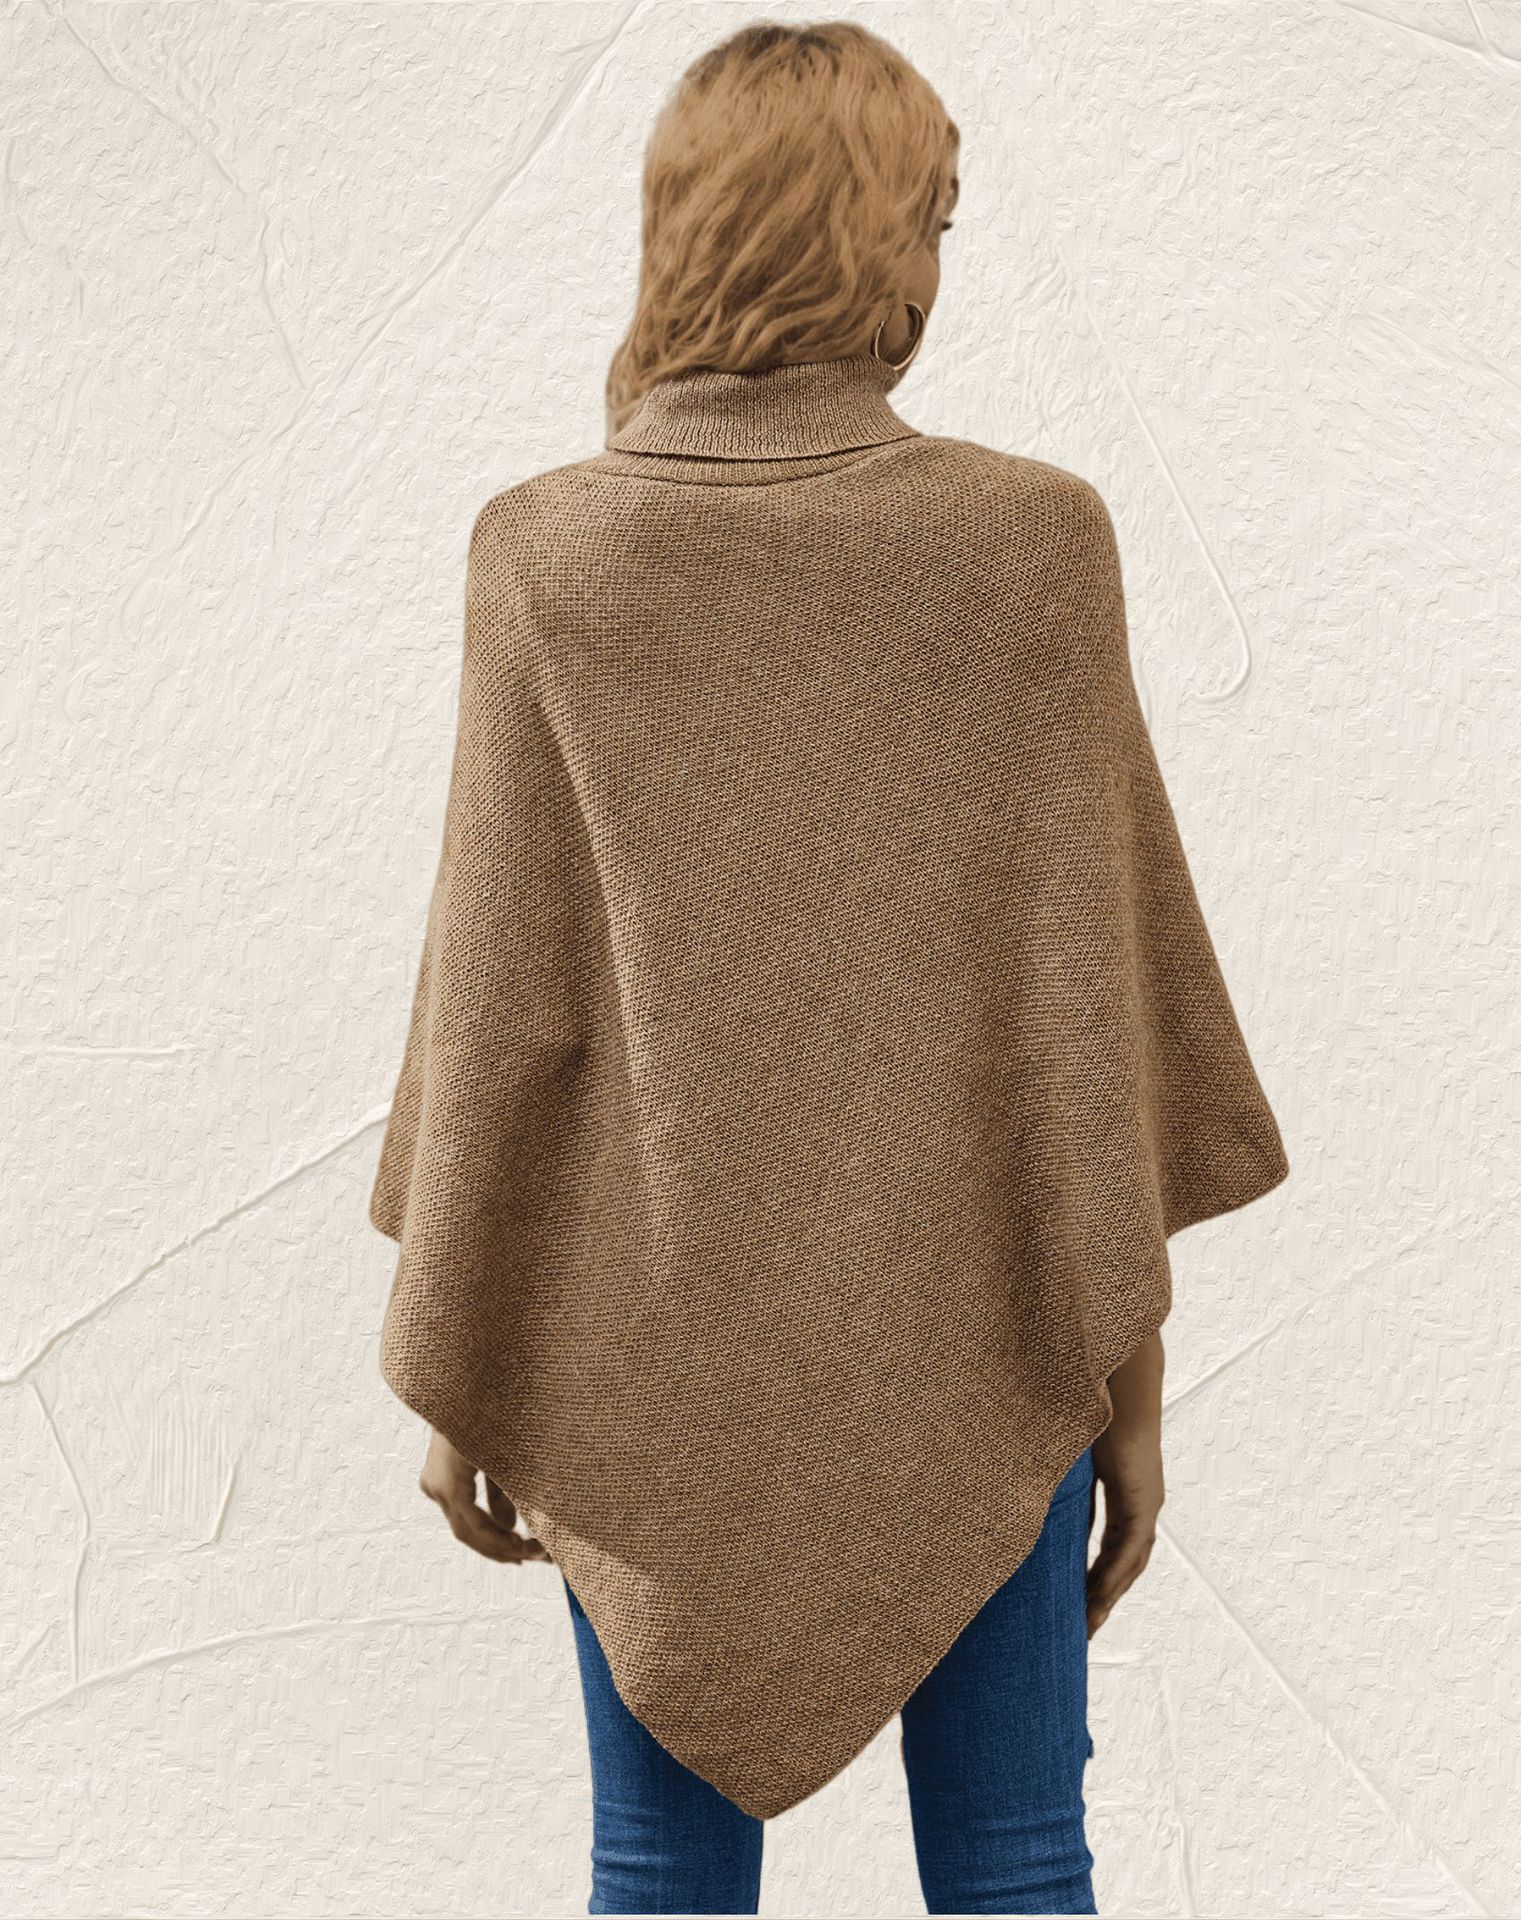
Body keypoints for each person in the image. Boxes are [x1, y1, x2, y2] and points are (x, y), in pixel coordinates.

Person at [369, 20, 1289, 1916]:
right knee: (1019, 1864)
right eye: (928, 220)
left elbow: (499, 1023)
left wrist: (472, 1354)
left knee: (657, 1870)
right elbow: (1080, 1036)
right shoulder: (1028, 544)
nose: (938, 265)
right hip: (986, 1330)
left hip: (640, 1356)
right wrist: (1127, 1382)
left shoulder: (548, 553)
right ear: (856, 239)